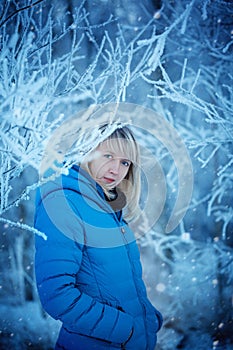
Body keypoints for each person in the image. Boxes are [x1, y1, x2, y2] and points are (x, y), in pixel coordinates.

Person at [34, 123, 163, 350]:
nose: (116, 169)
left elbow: (116, 284)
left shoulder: (109, 208)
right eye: (108, 156)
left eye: (125, 162)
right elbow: (57, 295)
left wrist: (146, 318)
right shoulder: (63, 204)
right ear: (87, 152)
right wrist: (126, 329)